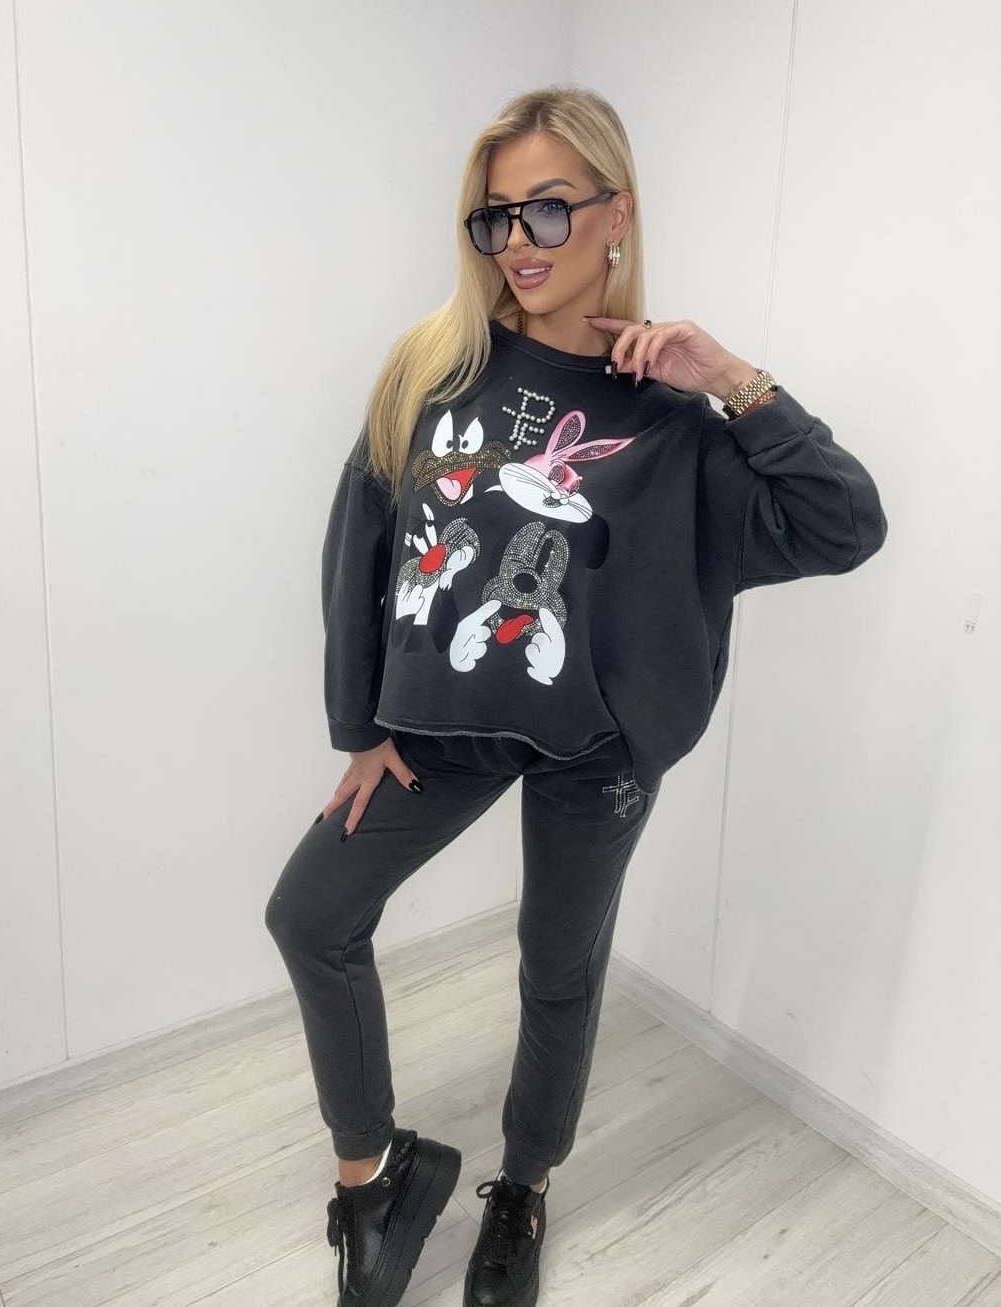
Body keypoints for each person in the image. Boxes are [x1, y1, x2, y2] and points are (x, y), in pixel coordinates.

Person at [265, 83, 887, 1307]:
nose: (520, 242)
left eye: (547, 208)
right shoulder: (432, 367)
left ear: (617, 213)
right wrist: (360, 726)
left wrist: (733, 378)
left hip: (597, 744)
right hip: (443, 728)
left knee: (557, 966)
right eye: (496, 217)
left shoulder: (674, 421)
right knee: (310, 913)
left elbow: (845, 523)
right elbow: (362, 542)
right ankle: (375, 1177)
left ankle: (524, 1185)